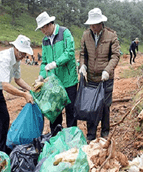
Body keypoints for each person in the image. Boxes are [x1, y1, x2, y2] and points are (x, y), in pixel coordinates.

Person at [35, 11, 79, 135]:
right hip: (54, 81)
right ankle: (56, 138)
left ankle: (72, 137)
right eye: (41, 29)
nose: (43, 31)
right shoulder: (45, 41)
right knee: (55, 112)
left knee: (71, 111)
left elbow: (70, 52)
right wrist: (41, 75)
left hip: (68, 80)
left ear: (49, 24)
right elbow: (44, 62)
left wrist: (56, 63)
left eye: (43, 27)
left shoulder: (65, 33)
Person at [79, 8, 120, 141]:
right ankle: (91, 135)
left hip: (106, 78)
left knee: (105, 106)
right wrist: (82, 66)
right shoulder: (86, 35)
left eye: (95, 24)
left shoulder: (111, 36)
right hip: (91, 77)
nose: (93, 27)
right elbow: (83, 54)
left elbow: (115, 56)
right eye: (91, 24)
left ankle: (105, 134)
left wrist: (107, 70)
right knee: (91, 106)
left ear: (101, 22)